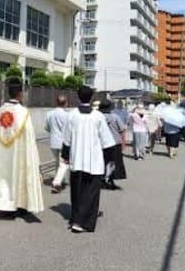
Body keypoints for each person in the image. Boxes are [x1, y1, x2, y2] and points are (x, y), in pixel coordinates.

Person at [0, 78, 44, 214]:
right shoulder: (23, 113)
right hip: (18, 151)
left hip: (1, 152)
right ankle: (19, 204)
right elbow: (29, 137)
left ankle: (1, 203)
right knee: (17, 174)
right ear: (20, 93)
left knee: (3, 176)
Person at [61, 86, 115, 233]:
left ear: (78, 97)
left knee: (77, 192)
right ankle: (83, 222)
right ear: (91, 98)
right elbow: (107, 140)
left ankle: (76, 218)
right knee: (91, 193)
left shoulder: (71, 115)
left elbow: (66, 139)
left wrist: (65, 156)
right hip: (94, 161)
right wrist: (110, 159)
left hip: (76, 160)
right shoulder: (98, 116)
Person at [99, 99, 127, 190]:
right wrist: (123, 142)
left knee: (103, 162)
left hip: (101, 143)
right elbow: (122, 130)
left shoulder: (98, 117)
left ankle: (102, 179)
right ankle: (110, 180)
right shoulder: (115, 117)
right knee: (114, 163)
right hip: (115, 142)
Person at [45, 95, 70, 193]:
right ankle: (56, 183)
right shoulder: (67, 115)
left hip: (53, 141)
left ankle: (60, 180)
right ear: (65, 103)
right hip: (64, 142)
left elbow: (46, 127)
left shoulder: (49, 114)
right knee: (64, 164)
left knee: (57, 162)